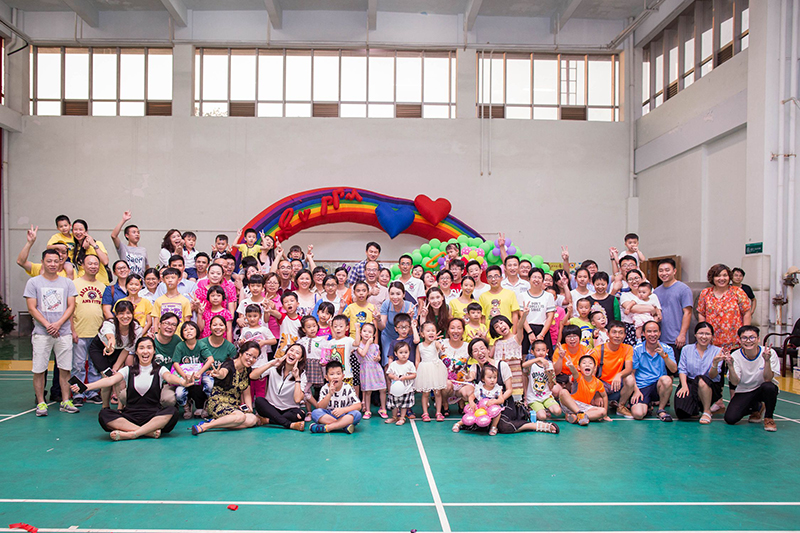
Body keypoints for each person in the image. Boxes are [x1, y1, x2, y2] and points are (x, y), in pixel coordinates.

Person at [71, 337, 186, 441]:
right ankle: (147, 432)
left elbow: (170, 377)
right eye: (141, 348)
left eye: (149, 348)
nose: (145, 351)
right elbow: (110, 380)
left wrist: (183, 382)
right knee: (104, 414)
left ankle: (133, 434)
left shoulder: (161, 370)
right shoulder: (127, 370)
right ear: (136, 352)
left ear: (154, 351)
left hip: (153, 416)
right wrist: (87, 387)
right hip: (130, 417)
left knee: (172, 411)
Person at [24, 249, 78, 417]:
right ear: (43, 262)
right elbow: (32, 308)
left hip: (63, 333)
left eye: (56, 261)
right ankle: (41, 402)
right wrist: (48, 325)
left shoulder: (67, 283)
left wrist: (59, 324)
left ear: (60, 262)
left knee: (65, 369)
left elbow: (71, 306)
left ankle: (65, 401)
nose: (53, 264)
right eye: (49, 261)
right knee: (39, 369)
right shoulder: (33, 282)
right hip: (42, 333)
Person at [191, 341, 263, 435]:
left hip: (234, 406)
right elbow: (223, 373)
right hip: (218, 402)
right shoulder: (229, 364)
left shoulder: (247, 369)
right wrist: (218, 373)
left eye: (254, 357)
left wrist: (249, 408)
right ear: (241, 353)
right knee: (240, 417)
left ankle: (217, 422)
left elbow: (246, 391)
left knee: (252, 419)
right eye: (248, 355)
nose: (251, 359)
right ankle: (206, 426)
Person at [88, 300, 143, 408]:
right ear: (116, 315)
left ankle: (120, 408)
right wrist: (111, 346)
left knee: (118, 376)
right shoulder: (109, 324)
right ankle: (105, 407)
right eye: (121, 313)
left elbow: (126, 349)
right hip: (100, 349)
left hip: (119, 351)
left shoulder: (136, 329)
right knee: (107, 376)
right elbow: (110, 337)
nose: (125, 316)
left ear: (132, 314)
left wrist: (116, 367)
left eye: (128, 313)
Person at [724, 326, 780, 432]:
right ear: (740, 340)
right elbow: (735, 382)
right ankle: (756, 407)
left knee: (769, 387)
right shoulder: (735, 355)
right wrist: (730, 366)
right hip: (744, 390)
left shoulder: (769, 353)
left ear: (758, 339)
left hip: (762, 389)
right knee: (730, 418)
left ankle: (769, 418)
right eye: (744, 338)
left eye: (752, 337)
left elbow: (768, 378)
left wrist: (767, 361)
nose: (748, 341)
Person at [70, 254, 105, 406]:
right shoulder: (74, 284)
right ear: (83, 265)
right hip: (80, 332)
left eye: (96, 264)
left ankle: (92, 392)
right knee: (77, 365)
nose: (93, 266)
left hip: (97, 334)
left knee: (94, 366)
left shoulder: (102, 286)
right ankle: (77, 393)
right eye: (90, 263)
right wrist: (72, 330)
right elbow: (70, 310)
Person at [674, 322, 724, 423]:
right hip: (691, 382)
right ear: (695, 335)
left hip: (709, 384)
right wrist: (684, 386)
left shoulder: (717, 351)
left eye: (707, 334)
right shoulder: (686, 349)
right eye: (701, 333)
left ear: (712, 336)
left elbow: (712, 375)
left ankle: (707, 411)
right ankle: (696, 406)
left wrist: (715, 363)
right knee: (682, 413)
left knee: (701, 380)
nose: (704, 337)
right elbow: (682, 370)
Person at [628, 321, 677, 421]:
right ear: (643, 333)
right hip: (642, 386)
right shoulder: (636, 349)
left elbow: (674, 369)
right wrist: (636, 391)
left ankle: (661, 409)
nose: (652, 334)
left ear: (659, 333)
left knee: (667, 380)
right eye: (649, 331)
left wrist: (664, 356)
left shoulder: (667, 348)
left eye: (655, 331)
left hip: (658, 386)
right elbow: (631, 373)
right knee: (638, 414)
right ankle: (647, 405)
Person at [697, 264, 752, 352]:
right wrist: (703, 333)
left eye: (725, 275)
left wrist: (745, 334)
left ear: (729, 277)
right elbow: (701, 313)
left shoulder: (738, 292)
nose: (722, 278)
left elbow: (746, 313)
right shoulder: (705, 293)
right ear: (712, 278)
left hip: (735, 342)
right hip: (711, 342)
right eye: (718, 276)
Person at [252, 343, 308, 431]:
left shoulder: (302, 375)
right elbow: (253, 376)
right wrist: (271, 364)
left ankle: (268, 420)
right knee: (259, 400)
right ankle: (289, 424)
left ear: (300, 359)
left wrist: (297, 378)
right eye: (291, 350)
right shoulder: (274, 366)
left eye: (297, 353)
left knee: (299, 415)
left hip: (288, 409)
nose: (293, 354)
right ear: (286, 352)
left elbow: (297, 400)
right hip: (270, 408)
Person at [653, 258, 694, 360]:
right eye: (661, 270)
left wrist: (682, 334)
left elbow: (688, 313)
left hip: (676, 339)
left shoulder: (683, 289)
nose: (664, 273)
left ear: (674, 271)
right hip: (661, 338)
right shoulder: (656, 291)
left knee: (676, 367)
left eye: (667, 270)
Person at [172, 321, 214, 419]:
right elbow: (175, 363)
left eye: (191, 329)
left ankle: (208, 404)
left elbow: (211, 359)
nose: (188, 331)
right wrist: (184, 376)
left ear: (197, 331)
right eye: (185, 330)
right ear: (182, 333)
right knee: (179, 393)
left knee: (210, 385)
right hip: (185, 375)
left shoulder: (201, 344)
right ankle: (187, 405)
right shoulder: (180, 346)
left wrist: (199, 373)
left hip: (200, 373)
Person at [594, 321, 635, 418]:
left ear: (625, 335)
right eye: (614, 332)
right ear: (607, 334)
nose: (617, 336)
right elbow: (591, 375)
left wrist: (619, 374)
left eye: (620, 333)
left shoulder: (628, 348)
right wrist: (596, 394)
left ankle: (621, 406)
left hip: (617, 385)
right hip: (601, 385)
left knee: (630, 379)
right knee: (598, 411)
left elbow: (629, 368)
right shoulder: (598, 350)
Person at [310, 360, 363, 434]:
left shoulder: (347, 387)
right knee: (315, 413)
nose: (335, 377)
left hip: (344, 415)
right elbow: (320, 407)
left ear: (342, 376)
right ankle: (343, 425)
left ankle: (328, 427)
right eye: (332, 374)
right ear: (326, 377)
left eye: (338, 374)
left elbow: (358, 405)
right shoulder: (325, 388)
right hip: (329, 415)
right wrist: (329, 394)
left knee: (357, 414)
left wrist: (343, 410)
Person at [559, 354, 607, 426]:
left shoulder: (598, 383)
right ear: (579, 367)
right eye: (584, 363)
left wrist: (605, 415)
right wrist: (571, 366)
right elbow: (574, 372)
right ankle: (579, 414)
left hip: (585, 407)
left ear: (594, 368)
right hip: (571, 404)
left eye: (590, 363)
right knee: (563, 392)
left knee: (603, 411)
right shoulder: (579, 376)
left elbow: (604, 396)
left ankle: (575, 417)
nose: (587, 364)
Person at [414, 321, 448, 422]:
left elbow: (439, 346)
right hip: (424, 370)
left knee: (437, 392)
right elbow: (417, 360)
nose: (431, 332)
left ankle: (438, 412)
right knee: (425, 393)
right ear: (422, 334)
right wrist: (417, 372)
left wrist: (441, 348)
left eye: (433, 330)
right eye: (428, 331)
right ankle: (425, 413)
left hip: (436, 369)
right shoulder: (419, 346)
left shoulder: (435, 343)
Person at [517, 267, 556, 354]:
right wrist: (530, 333)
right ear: (529, 279)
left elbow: (550, 317)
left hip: (543, 330)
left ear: (542, 280)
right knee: (524, 356)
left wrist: (542, 334)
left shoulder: (548, 296)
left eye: (539, 278)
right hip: (526, 329)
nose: (536, 280)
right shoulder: (522, 296)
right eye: (534, 277)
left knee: (546, 356)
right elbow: (521, 316)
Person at [522, 340, 562, 421]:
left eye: (543, 350)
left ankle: (543, 409)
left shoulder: (549, 364)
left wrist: (550, 376)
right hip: (533, 398)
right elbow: (523, 365)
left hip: (547, 396)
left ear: (547, 351)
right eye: (538, 350)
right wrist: (538, 359)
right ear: (532, 352)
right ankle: (533, 410)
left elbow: (551, 386)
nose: (541, 352)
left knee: (558, 411)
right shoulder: (531, 365)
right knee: (542, 417)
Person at [354, 323, 386, 419]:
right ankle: (368, 410)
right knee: (368, 391)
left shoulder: (376, 346)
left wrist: (378, 358)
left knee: (383, 389)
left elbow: (378, 355)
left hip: (376, 369)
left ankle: (383, 408)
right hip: (366, 370)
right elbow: (363, 354)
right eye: (364, 331)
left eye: (370, 332)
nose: (367, 333)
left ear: (373, 334)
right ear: (360, 333)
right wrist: (368, 343)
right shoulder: (358, 345)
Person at [385, 341, 417, 425]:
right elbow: (389, 374)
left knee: (404, 405)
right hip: (395, 389)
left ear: (409, 353)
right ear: (396, 353)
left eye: (406, 352)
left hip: (407, 389)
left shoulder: (410, 364)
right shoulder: (393, 364)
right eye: (401, 352)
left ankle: (402, 418)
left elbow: (414, 375)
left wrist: (406, 377)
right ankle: (394, 417)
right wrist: (393, 377)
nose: (404, 355)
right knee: (394, 405)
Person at [479, 265, 520, 330]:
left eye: (496, 276)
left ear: (501, 278)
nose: (493, 279)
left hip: (508, 332)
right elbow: (483, 318)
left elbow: (515, 315)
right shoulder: (482, 297)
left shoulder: (510, 294)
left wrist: (513, 333)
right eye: (490, 277)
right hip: (490, 334)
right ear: (487, 280)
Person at [71, 219, 110, 285]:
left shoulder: (97, 243)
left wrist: (93, 244)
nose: (78, 232)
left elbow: (105, 261)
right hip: (82, 284)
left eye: (80, 229)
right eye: (75, 230)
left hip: (100, 282)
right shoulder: (74, 247)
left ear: (86, 231)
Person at [110, 211, 148, 277]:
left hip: (140, 281)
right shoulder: (123, 248)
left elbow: (147, 267)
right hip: (127, 280)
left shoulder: (143, 250)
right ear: (127, 235)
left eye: (138, 232)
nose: (137, 234)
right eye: (134, 232)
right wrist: (123, 220)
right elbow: (113, 236)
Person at [275, 291, 302, 359]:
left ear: (297, 304)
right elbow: (276, 313)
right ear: (283, 307)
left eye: (292, 301)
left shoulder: (301, 320)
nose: (289, 303)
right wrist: (269, 310)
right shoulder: (282, 317)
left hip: (296, 352)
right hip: (282, 352)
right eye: (286, 302)